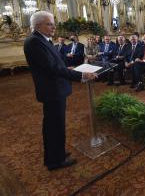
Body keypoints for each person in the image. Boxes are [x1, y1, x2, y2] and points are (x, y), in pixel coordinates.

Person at [23, 11, 97, 171]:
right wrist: (81, 74)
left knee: (56, 125)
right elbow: (52, 68)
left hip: (55, 89)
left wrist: (67, 68)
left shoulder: (43, 40)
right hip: (52, 91)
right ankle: (55, 161)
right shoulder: (34, 42)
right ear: (38, 26)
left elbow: (55, 64)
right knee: (54, 126)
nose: (54, 26)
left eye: (52, 23)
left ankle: (57, 153)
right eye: (49, 23)